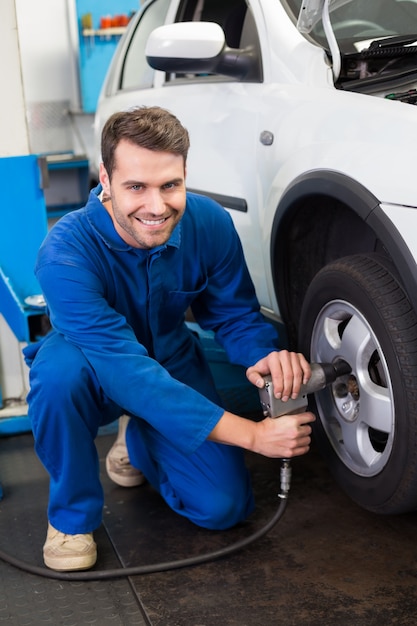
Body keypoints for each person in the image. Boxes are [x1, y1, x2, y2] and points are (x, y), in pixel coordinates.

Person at [23, 106, 315, 572]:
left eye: (170, 185)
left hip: (172, 358)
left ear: (184, 175)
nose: (157, 207)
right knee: (57, 378)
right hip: (93, 363)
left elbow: (235, 314)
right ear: (105, 178)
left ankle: (139, 438)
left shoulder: (209, 224)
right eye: (136, 187)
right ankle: (72, 516)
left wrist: (267, 357)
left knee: (224, 508)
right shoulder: (65, 253)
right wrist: (253, 436)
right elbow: (125, 371)